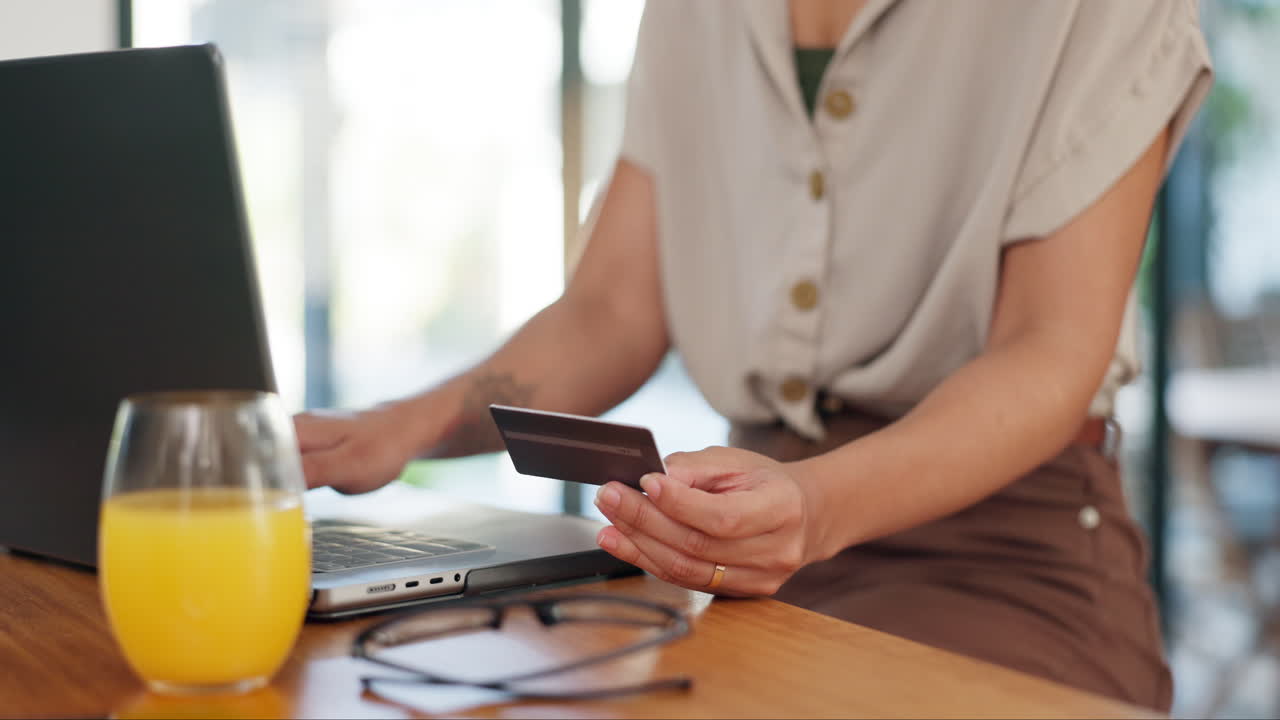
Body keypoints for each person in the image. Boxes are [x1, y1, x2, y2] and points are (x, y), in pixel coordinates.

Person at [294, 0, 1212, 709]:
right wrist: (394, 429)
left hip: (1006, 560)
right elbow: (612, 309)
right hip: (742, 564)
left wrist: (814, 503)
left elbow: (1046, 350)